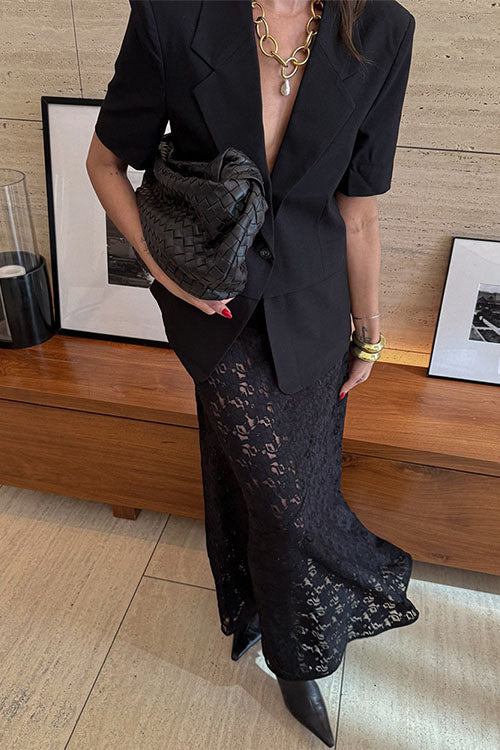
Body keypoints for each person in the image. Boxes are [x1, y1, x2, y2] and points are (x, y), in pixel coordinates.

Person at [86, 1, 420, 746]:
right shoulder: (173, 15)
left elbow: (359, 211)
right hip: (217, 306)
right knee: (289, 505)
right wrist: (164, 275)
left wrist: (369, 331)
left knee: (286, 475)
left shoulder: (384, 30)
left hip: (317, 305)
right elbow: (105, 163)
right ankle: (300, 656)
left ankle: (248, 603)